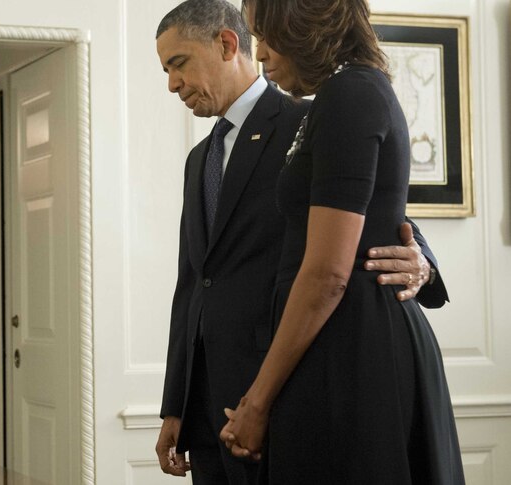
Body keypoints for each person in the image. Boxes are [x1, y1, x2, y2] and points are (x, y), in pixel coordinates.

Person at [153, 1, 450, 484]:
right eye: (166, 70)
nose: (172, 83)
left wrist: (424, 264)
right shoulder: (197, 160)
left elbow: (380, 217)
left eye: (179, 64)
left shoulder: (306, 117)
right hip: (208, 409)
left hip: (280, 388)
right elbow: (194, 284)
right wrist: (176, 403)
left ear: (227, 44)